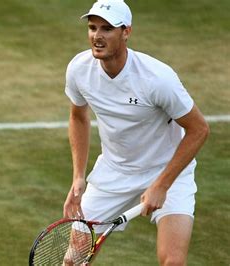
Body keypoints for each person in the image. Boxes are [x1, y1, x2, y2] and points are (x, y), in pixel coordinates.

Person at [62, 0, 210, 265]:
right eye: (93, 27)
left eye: (107, 28)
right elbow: (78, 117)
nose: (97, 36)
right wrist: (78, 177)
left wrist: (162, 184)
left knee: (173, 262)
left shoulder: (157, 79)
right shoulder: (79, 69)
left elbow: (199, 129)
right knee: (74, 260)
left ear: (126, 32)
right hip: (114, 172)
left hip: (169, 171)